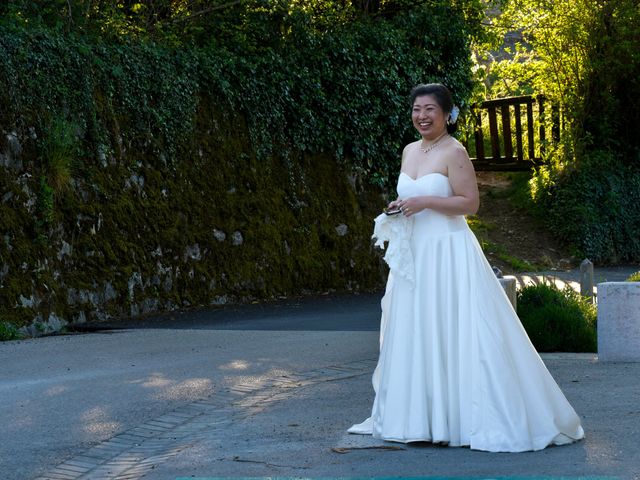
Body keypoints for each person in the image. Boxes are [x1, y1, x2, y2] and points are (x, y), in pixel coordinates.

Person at [348, 83, 585, 452]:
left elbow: (469, 204)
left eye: (429, 109)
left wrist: (425, 200)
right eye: (416, 109)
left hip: (448, 251)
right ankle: (421, 418)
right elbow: (413, 196)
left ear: (447, 114)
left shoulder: (455, 151)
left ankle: (461, 417)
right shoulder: (409, 150)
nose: (422, 116)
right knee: (418, 328)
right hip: (416, 254)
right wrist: (401, 205)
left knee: (455, 327)